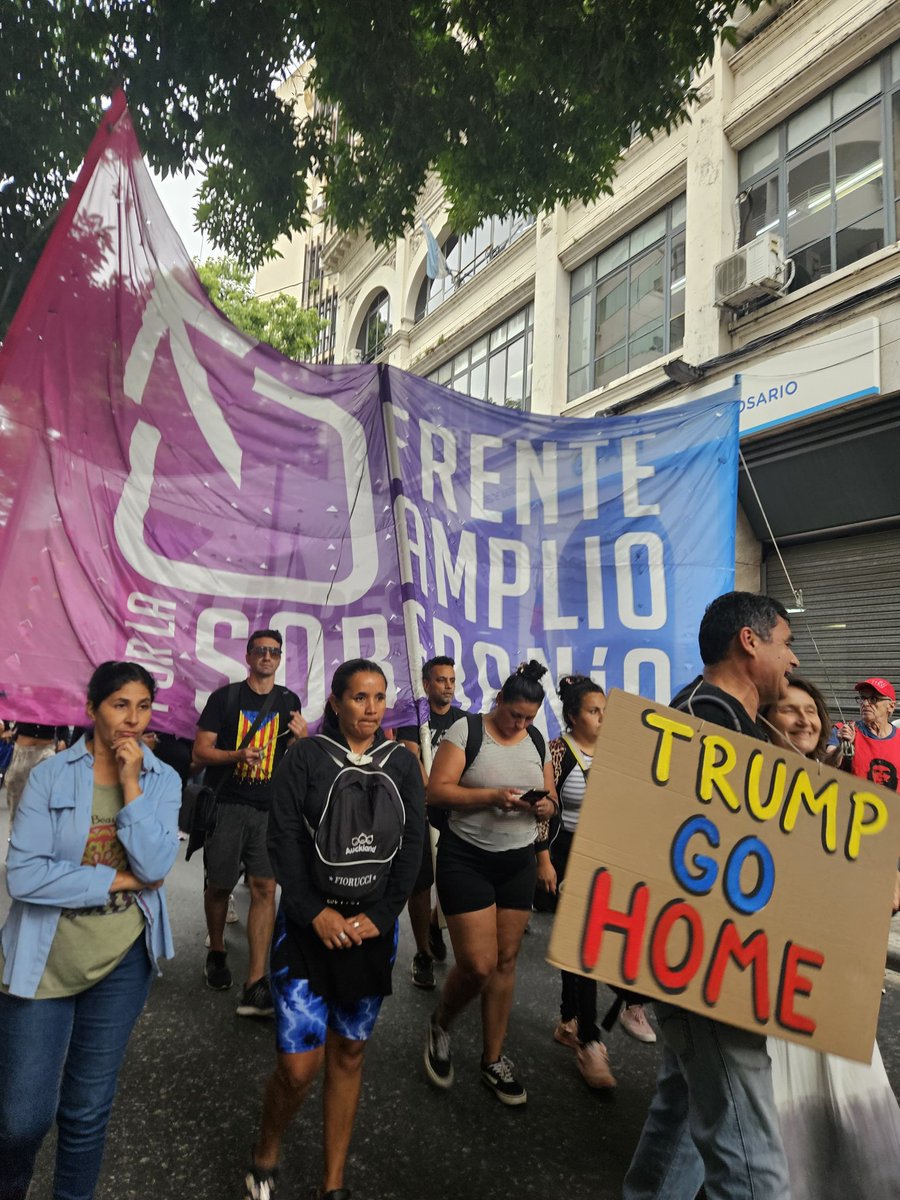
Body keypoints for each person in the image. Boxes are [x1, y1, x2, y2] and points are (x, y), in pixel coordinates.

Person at [623, 591, 798, 1200]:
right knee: (754, 1169)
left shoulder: (737, 721)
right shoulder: (705, 720)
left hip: (705, 961)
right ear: (748, 642)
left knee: (680, 1121)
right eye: (785, 642)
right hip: (712, 966)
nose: (793, 659)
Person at [244, 659, 424, 1200]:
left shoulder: (404, 764)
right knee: (298, 1069)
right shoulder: (304, 757)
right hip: (306, 931)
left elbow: (412, 847)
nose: (371, 708)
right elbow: (285, 842)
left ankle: (333, 1184)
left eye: (378, 697)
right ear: (337, 703)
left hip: (370, 934)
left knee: (349, 1054)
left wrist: (386, 914)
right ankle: (266, 1148)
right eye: (359, 697)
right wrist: (311, 912)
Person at [0, 662, 181, 1200]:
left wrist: (130, 783)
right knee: (21, 1119)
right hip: (45, 955)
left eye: (143, 706)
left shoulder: (162, 779)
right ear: (91, 708)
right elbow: (25, 876)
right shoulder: (52, 775)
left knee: (86, 1111)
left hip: (123, 957)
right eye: (119, 704)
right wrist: (113, 880)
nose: (132, 718)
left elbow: (152, 867)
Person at [760, 675, 900, 1200]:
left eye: (811, 711)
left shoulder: (834, 781)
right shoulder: (739, 783)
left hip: (831, 960)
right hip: (772, 960)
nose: (804, 720)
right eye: (789, 709)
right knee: (783, 1079)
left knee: (848, 1073)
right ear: (765, 716)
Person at [424, 660, 557, 1106]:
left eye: (528, 718)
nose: (520, 724)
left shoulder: (537, 739)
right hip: (467, 858)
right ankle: (442, 1022)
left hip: (516, 859)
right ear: (498, 700)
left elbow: (550, 797)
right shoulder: (466, 732)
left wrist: (545, 810)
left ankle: (493, 1059)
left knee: (505, 961)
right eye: (514, 714)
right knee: (477, 965)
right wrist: (491, 797)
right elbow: (437, 791)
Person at [537, 675, 655, 1091]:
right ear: (572, 717)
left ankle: (587, 1015)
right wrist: (545, 861)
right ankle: (588, 1039)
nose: (604, 718)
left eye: (606, 710)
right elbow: (542, 809)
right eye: (593, 711)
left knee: (617, 937)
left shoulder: (624, 750)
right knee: (582, 947)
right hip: (570, 856)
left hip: (613, 854)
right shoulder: (556, 749)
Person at [193, 629, 306, 1016]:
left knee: (264, 888)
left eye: (274, 651)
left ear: (279, 658)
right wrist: (237, 754)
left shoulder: (289, 700)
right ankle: (218, 948)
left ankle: (256, 981)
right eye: (261, 650)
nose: (267, 656)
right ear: (248, 655)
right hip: (227, 804)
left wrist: (301, 740)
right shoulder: (225, 698)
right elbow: (201, 751)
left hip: (269, 809)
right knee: (220, 886)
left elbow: (293, 756)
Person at [396, 655, 465, 988]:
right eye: (441, 680)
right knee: (421, 885)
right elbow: (414, 763)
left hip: (454, 812)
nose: (448, 686)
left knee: (451, 880)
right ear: (426, 684)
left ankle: (436, 926)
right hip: (421, 813)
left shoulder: (463, 721)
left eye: (451, 680)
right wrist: (439, 789)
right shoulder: (412, 720)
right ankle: (422, 952)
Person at [826, 678, 900, 788]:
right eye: (862, 698)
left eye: (873, 699)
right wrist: (842, 747)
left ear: (891, 706)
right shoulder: (843, 731)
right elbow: (826, 765)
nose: (865, 703)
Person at [3, 722, 66, 822]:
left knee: (49, 792)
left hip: (46, 750)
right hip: (22, 751)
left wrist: (63, 738)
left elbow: (61, 713)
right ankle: (15, 833)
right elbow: (8, 706)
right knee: (14, 787)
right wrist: (5, 727)